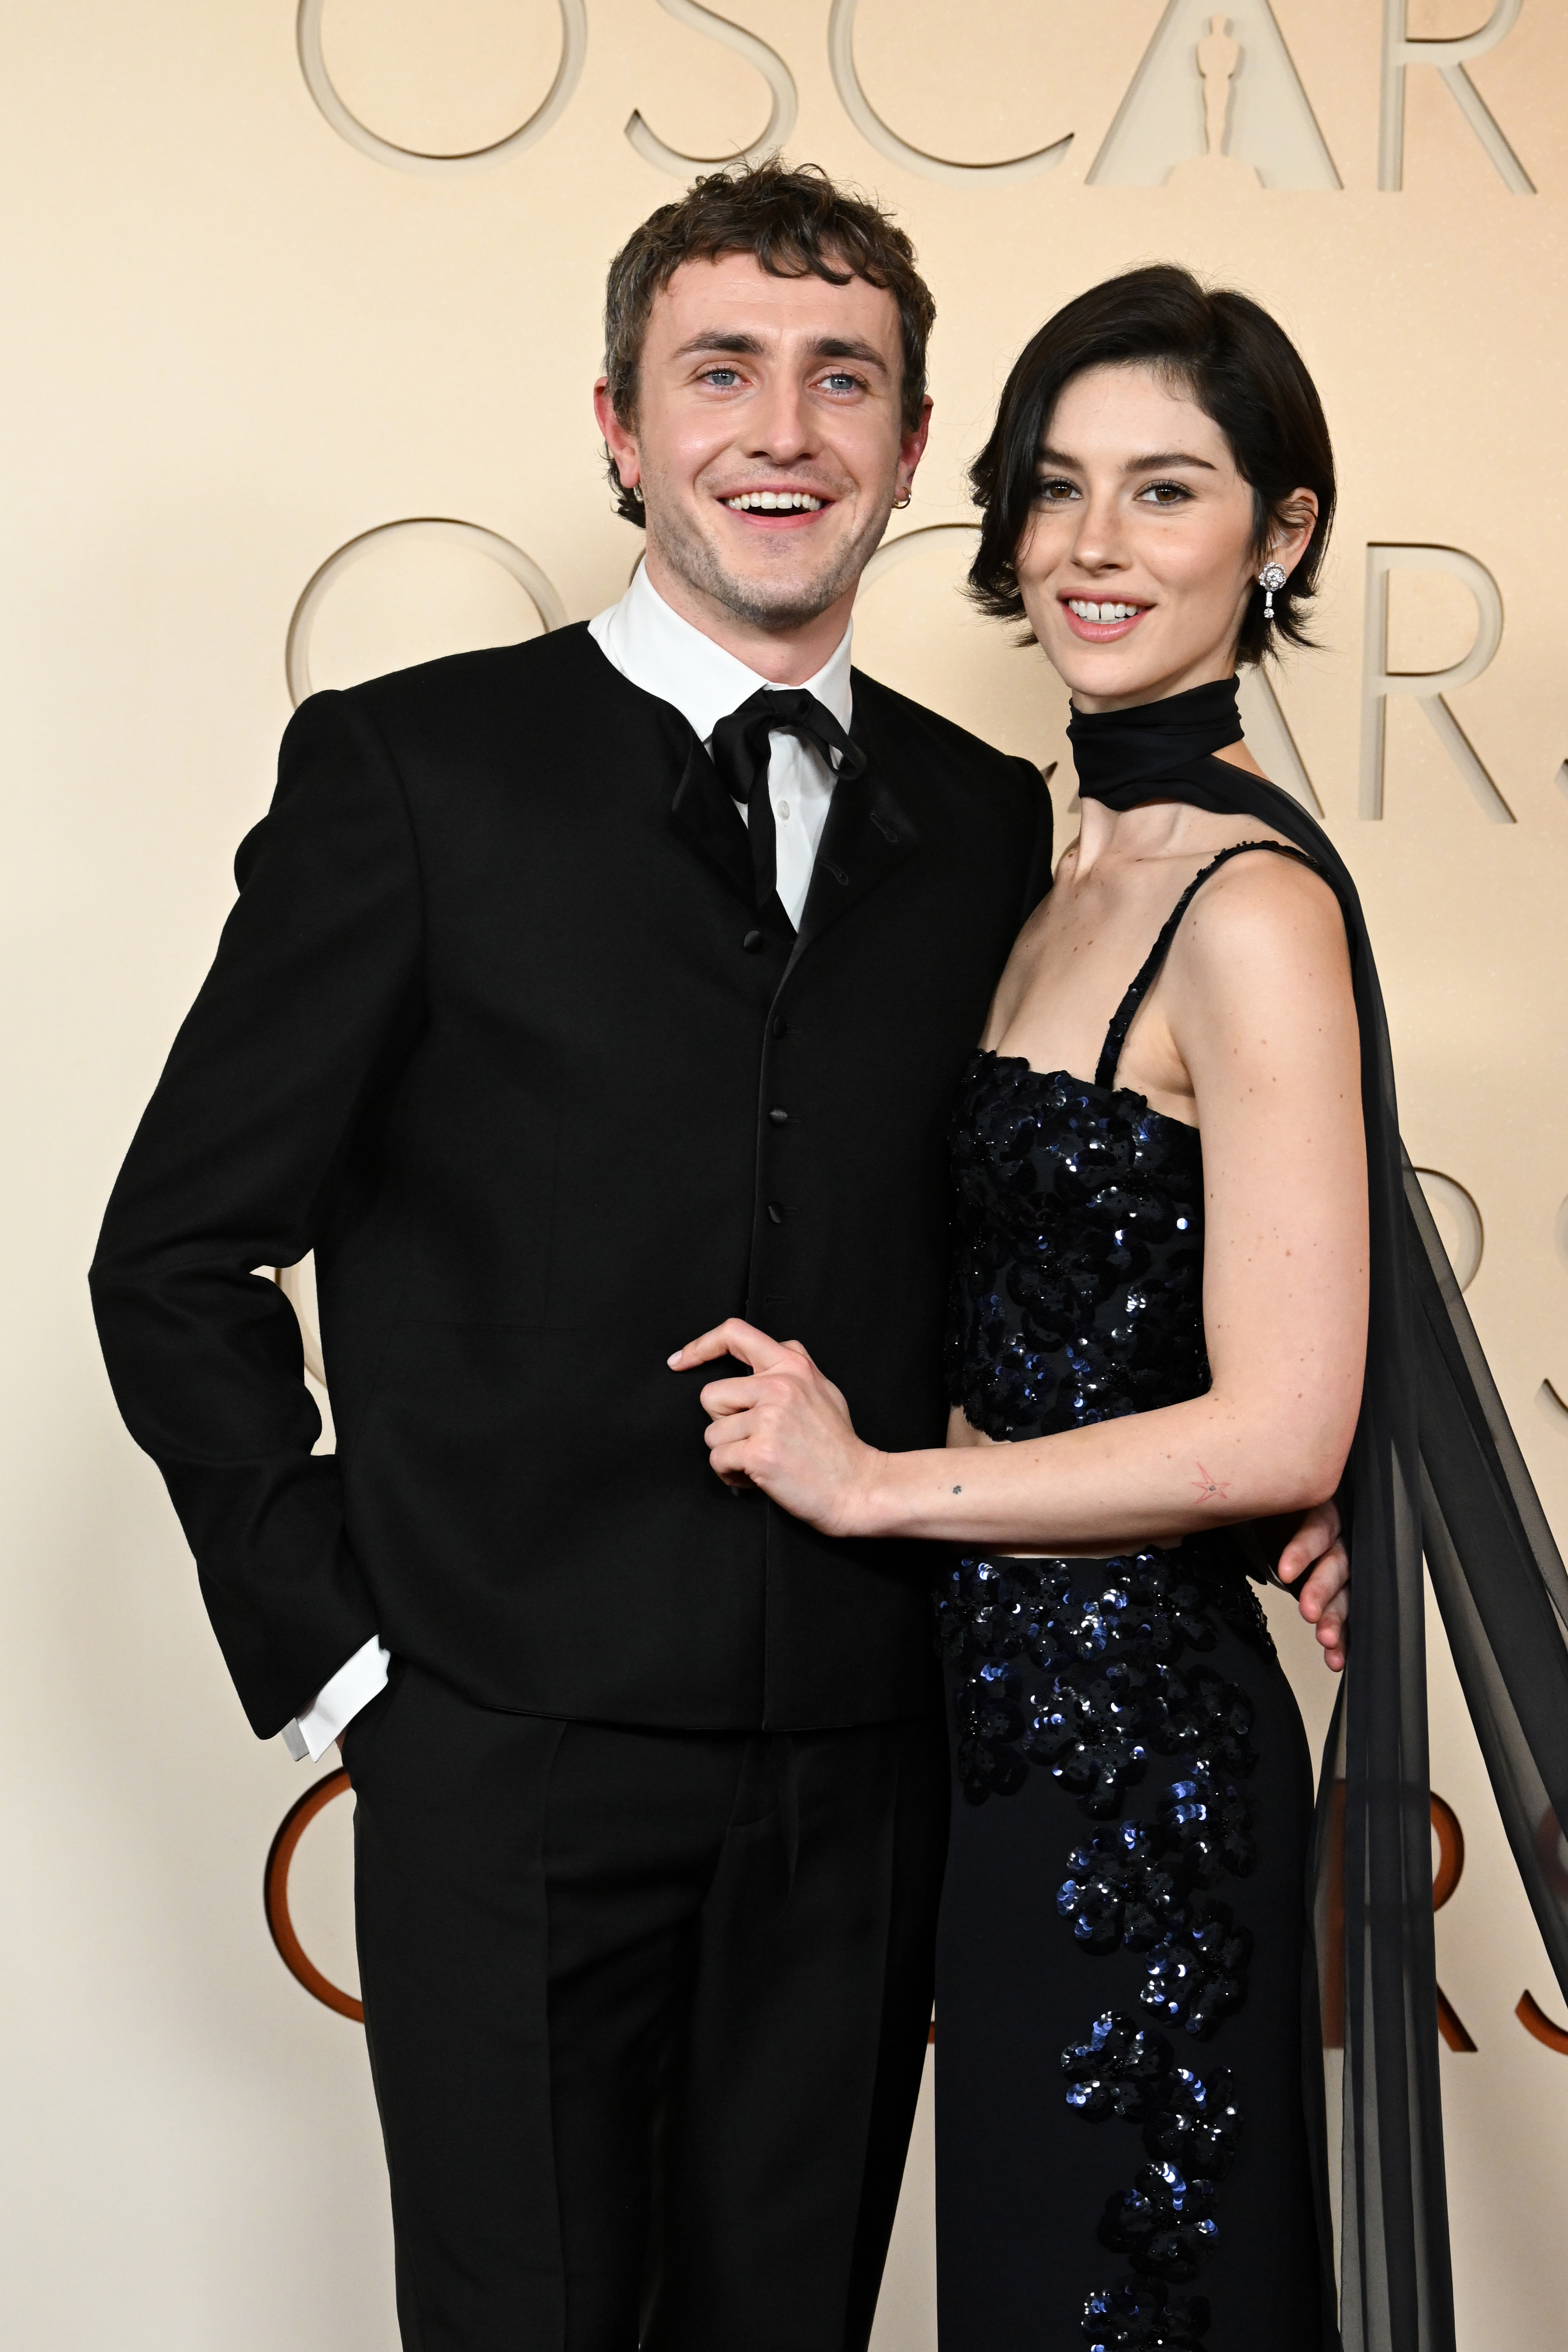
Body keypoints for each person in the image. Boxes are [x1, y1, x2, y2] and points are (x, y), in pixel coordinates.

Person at [89, 179, 1347, 2352]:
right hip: (510, 1761)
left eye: (841, 378)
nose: (785, 429)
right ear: (618, 424)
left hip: (875, 1772)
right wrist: (362, 1673)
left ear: (911, 434)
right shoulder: (411, 772)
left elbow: (1057, 1228)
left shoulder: (982, 827)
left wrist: (1294, 1464)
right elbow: (175, 1254)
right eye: (722, 374)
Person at [667, 268, 1426, 2350]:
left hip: (1139, 1775)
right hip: (999, 1755)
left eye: (1166, 491)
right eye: (1058, 490)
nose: (1096, 548)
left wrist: (879, 1485)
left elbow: (1275, 1424)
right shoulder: (1059, 856)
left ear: (1277, 535)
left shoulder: (1248, 911)